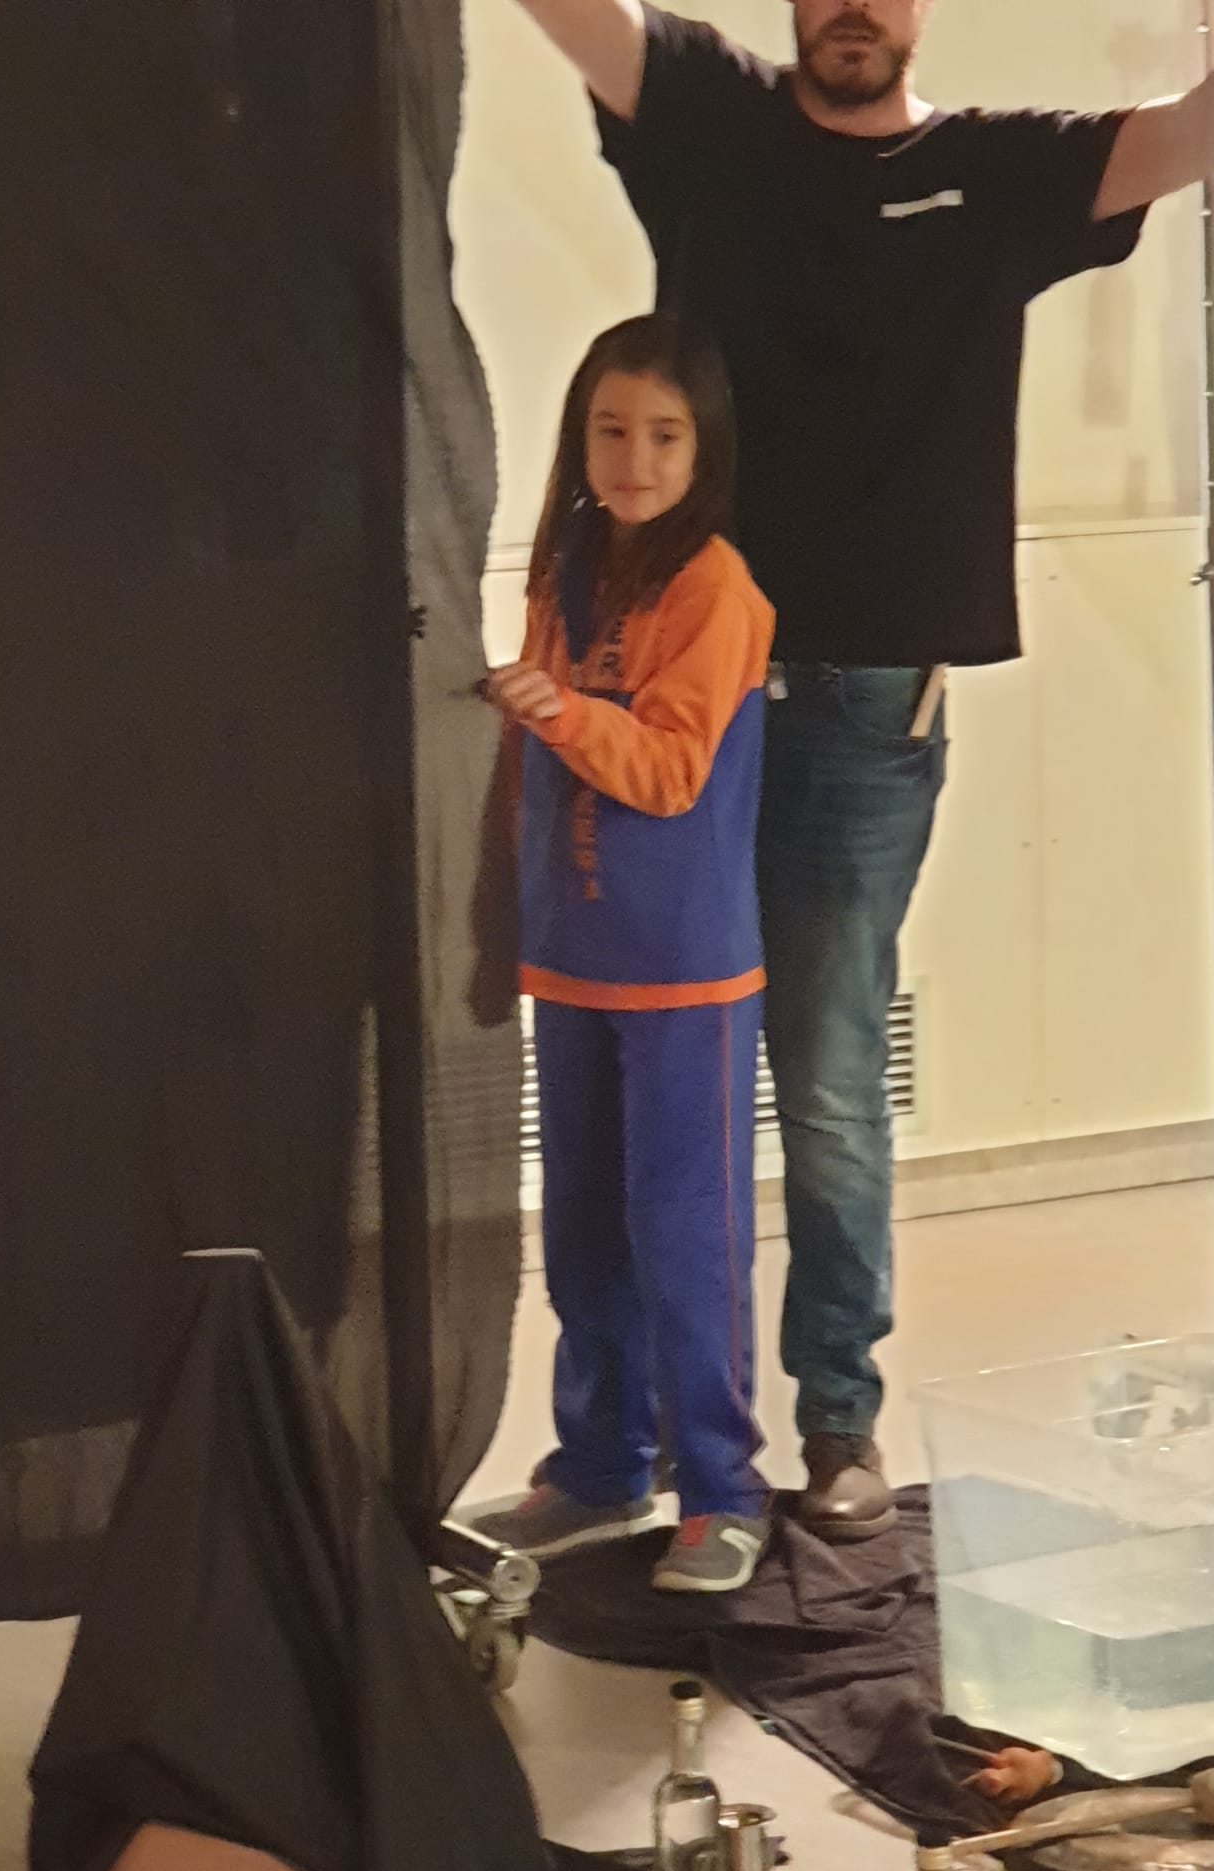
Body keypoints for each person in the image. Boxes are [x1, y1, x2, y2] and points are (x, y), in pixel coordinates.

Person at [511, 0, 1214, 1539]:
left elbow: (1210, 122)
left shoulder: (1001, 176)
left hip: (864, 711)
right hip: (673, 683)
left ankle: (837, 1421)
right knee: (621, 1089)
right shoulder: (711, 118)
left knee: (827, 1082)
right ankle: (618, 1443)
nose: (856, 10)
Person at [476, 314, 777, 1594]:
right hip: (573, 956)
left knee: (686, 1231)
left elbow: (666, 771)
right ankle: (602, 1462)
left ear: (703, 449)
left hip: (685, 972)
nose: (634, 459)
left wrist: (560, 710)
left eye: (663, 435)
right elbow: (527, 767)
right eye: (610, 430)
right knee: (586, 1227)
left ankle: (723, 1490)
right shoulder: (567, 564)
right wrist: (503, 917)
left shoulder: (716, 588)